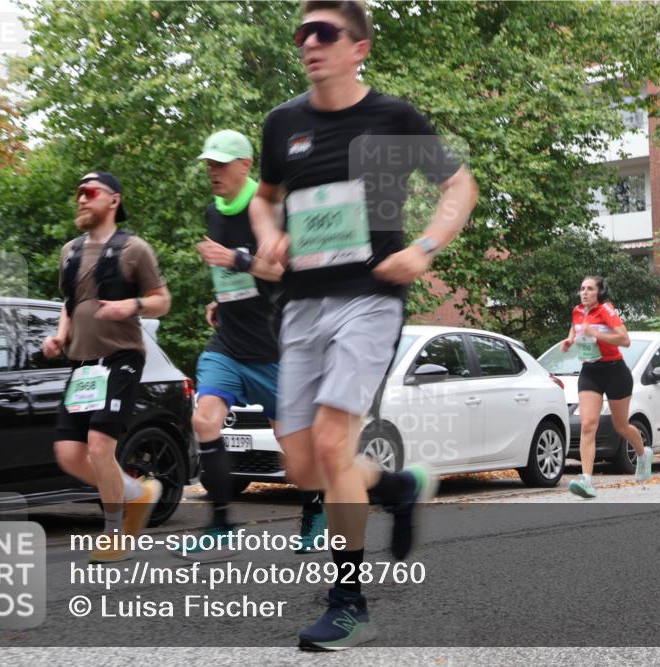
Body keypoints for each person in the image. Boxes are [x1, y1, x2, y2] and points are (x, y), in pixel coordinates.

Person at [249, 0, 478, 651]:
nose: (309, 44)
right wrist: (268, 238)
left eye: (325, 33)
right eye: (302, 34)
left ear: (359, 48)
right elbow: (265, 201)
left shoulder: (393, 116)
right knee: (301, 467)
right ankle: (398, 486)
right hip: (299, 305)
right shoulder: (282, 123)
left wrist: (426, 247)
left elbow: (460, 186)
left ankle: (349, 603)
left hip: (369, 298)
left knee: (329, 443)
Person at [173, 129, 326, 561]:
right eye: (209, 164)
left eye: (221, 164)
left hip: (277, 346)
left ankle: (316, 510)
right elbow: (234, 276)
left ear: (245, 165)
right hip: (229, 342)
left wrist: (236, 259)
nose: (213, 172)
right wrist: (218, 299)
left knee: (291, 444)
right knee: (205, 420)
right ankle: (222, 524)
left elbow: (290, 270)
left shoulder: (273, 208)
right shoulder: (214, 211)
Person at [43, 171, 171, 563]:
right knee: (68, 454)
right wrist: (59, 337)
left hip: (121, 359)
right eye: (77, 192)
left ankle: (115, 532)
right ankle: (139, 493)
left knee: (100, 446)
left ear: (113, 200)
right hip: (83, 366)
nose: (81, 199)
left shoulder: (134, 250)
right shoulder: (69, 251)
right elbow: (70, 304)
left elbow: (161, 300)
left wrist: (129, 306)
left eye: (90, 192)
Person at [560, 275, 652, 499]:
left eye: (590, 289)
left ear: (599, 292)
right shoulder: (577, 311)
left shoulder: (606, 310)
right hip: (590, 372)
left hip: (615, 371)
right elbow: (576, 328)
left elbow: (625, 339)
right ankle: (587, 481)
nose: (584, 292)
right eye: (582, 288)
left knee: (621, 426)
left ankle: (642, 453)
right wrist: (570, 340)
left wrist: (596, 334)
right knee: (588, 424)